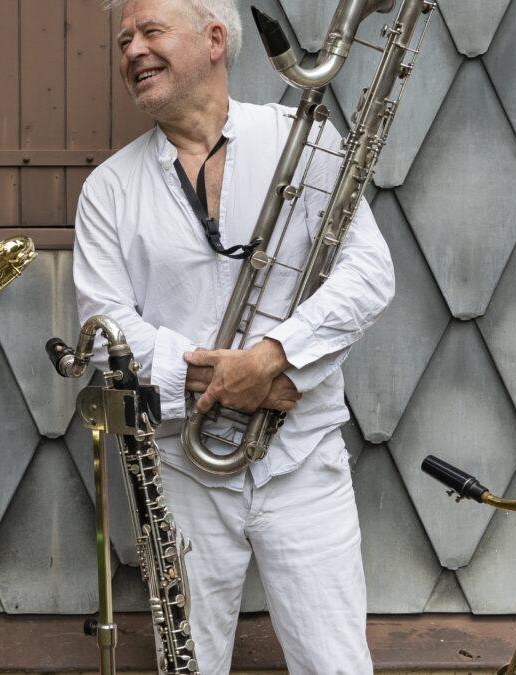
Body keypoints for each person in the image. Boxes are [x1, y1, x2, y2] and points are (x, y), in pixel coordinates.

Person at [73, 0, 394, 673]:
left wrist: (275, 357)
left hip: (301, 462)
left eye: (151, 32)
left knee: (337, 663)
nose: (131, 50)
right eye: (124, 39)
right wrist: (225, 378)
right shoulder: (107, 189)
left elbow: (368, 272)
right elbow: (104, 332)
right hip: (182, 472)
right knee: (187, 666)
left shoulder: (301, 138)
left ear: (215, 39)